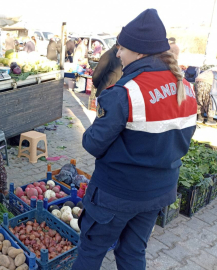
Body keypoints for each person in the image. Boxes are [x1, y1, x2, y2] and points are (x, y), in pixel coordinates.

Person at [72, 9, 197, 270]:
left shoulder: (124, 93)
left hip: (116, 194)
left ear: (139, 52)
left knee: (91, 250)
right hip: (158, 192)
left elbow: (93, 144)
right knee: (132, 252)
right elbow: (180, 139)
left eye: (122, 48)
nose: (118, 54)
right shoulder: (186, 88)